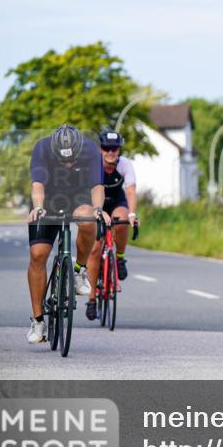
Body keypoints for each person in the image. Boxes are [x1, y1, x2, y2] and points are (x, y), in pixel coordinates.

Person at [26, 125, 110, 344]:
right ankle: (37, 321)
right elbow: (37, 185)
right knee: (38, 255)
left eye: (72, 160)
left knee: (89, 219)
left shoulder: (91, 150)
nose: (68, 164)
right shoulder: (42, 149)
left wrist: (99, 208)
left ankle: (79, 270)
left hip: (78, 197)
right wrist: (39, 207)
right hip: (49, 199)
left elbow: (96, 187)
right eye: (63, 161)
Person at [85, 129, 139, 321]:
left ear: (119, 150)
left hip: (117, 202)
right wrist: (98, 211)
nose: (110, 152)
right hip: (96, 203)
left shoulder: (125, 165)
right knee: (94, 250)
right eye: (106, 148)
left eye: (114, 148)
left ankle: (120, 258)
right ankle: (91, 299)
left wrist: (132, 214)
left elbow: (131, 191)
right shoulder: (94, 165)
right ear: (101, 149)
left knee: (122, 220)